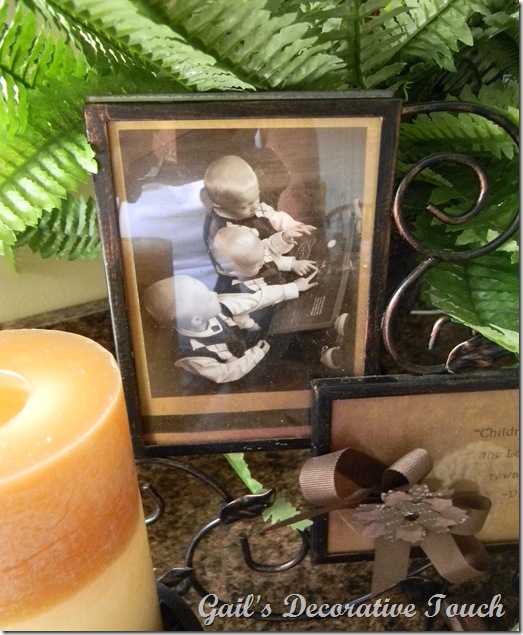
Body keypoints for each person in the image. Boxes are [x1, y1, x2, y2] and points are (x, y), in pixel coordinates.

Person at [142, 274, 315, 384]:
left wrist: (293, 288)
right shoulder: (193, 355)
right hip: (241, 373)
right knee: (289, 343)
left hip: (245, 345)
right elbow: (224, 374)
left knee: (280, 317)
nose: (214, 294)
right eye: (208, 298)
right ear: (197, 320)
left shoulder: (216, 307)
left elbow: (256, 300)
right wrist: (255, 354)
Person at [201, 155, 316, 275]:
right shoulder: (229, 232)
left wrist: (295, 226)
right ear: (222, 207)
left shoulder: (252, 205)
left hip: (275, 249)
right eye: (245, 206)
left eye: (257, 197)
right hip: (257, 270)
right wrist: (291, 263)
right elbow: (256, 260)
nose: (255, 206)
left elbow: (276, 217)